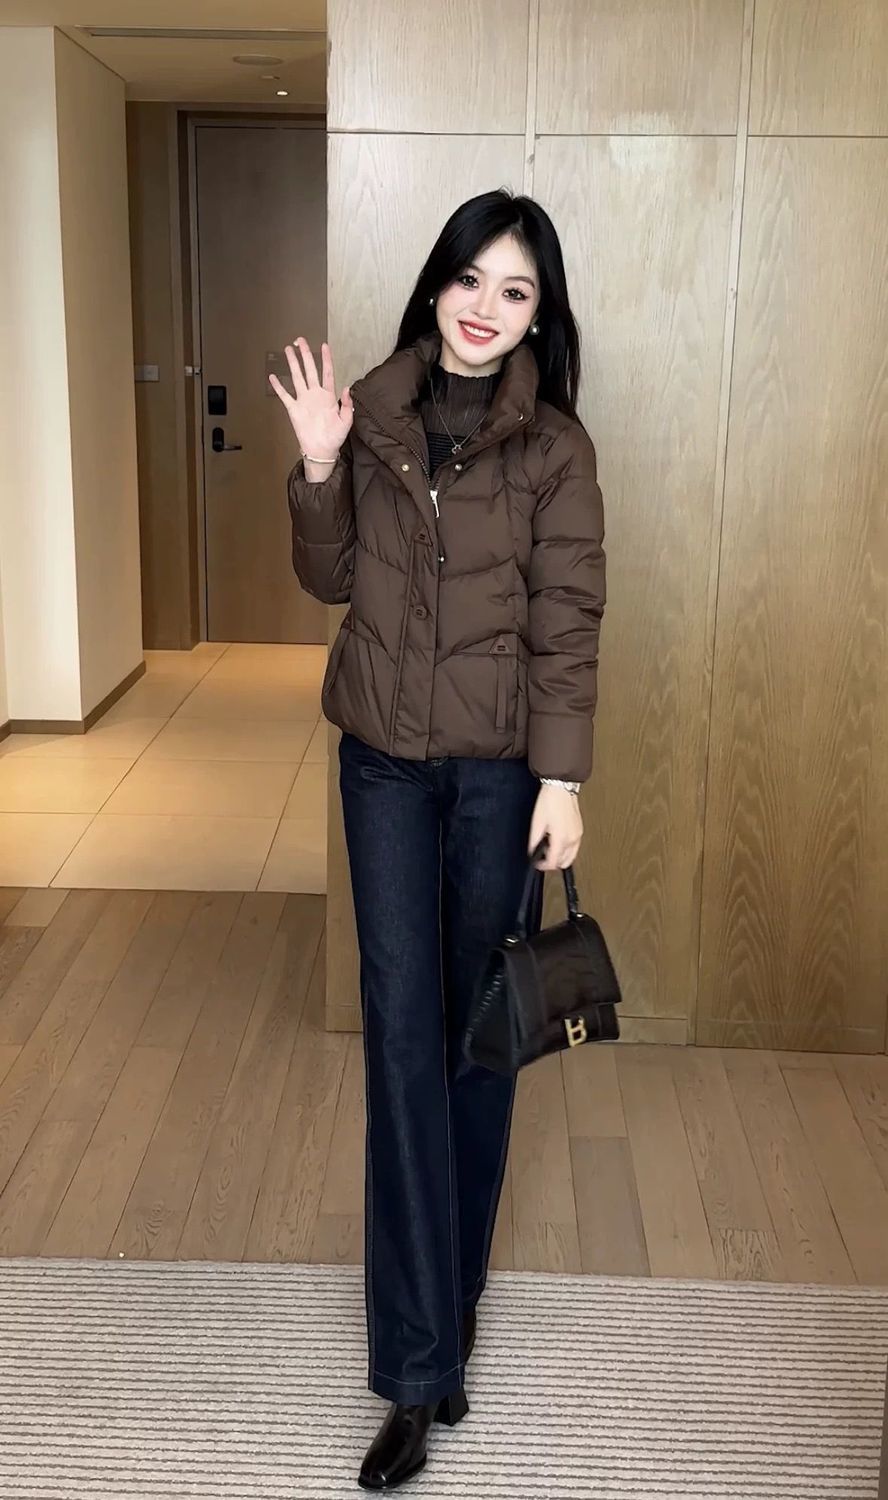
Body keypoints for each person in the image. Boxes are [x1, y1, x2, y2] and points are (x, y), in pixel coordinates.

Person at [270, 188, 606, 1492]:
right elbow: (329, 578)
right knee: (402, 1041)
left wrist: (561, 777)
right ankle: (416, 1376)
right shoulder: (372, 412)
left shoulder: (556, 450)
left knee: (478, 1044)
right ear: (436, 284)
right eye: (471, 278)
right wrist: (318, 467)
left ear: (536, 315)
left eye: (514, 291)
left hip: (498, 777)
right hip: (382, 770)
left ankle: (447, 1318)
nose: (485, 307)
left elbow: (567, 619)